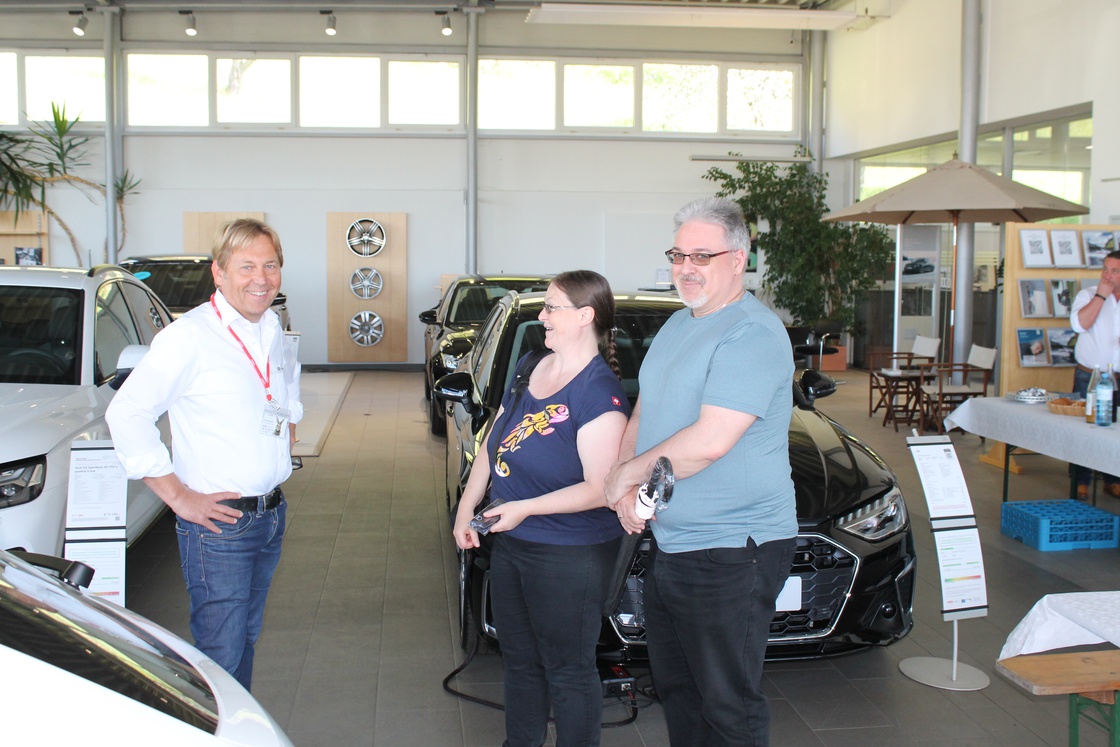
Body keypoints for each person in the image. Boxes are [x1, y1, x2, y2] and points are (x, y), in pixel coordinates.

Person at [604, 196, 797, 747]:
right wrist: (625, 479)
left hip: (733, 550)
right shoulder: (677, 324)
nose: (685, 268)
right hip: (674, 542)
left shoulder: (753, 333)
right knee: (679, 692)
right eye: (678, 255)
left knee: (727, 704)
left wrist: (626, 475)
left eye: (701, 256)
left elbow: (710, 441)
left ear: (738, 259)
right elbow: (644, 410)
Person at [106, 218, 301, 691]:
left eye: (270, 265)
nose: (261, 278)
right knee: (220, 654)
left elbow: (284, 390)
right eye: (246, 266)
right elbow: (126, 413)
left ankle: (239, 725)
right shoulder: (189, 336)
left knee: (244, 640)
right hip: (219, 526)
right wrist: (178, 497)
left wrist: (285, 429)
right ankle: (217, 726)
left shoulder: (271, 328)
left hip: (269, 514)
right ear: (219, 271)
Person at [452, 270, 629, 747]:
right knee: (521, 661)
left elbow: (602, 489)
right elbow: (496, 436)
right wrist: (467, 505)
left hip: (570, 555)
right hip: (514, 542)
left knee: (568, 670)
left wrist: (524, 508)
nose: (543, 315)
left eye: (552, 307)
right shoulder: (532, 364)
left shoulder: (598, 392)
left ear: (585, 316)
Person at [1070, 249, 1120, 497]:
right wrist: (1101, 295)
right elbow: (1079, 325)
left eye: (1114, 271)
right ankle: (1081, 480)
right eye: (1105, 269)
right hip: (1089, 376)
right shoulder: (1088, 295)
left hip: (1118, 378)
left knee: (1116, 431)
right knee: (1084, 430)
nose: (1107, 275)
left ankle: (1113, 479)